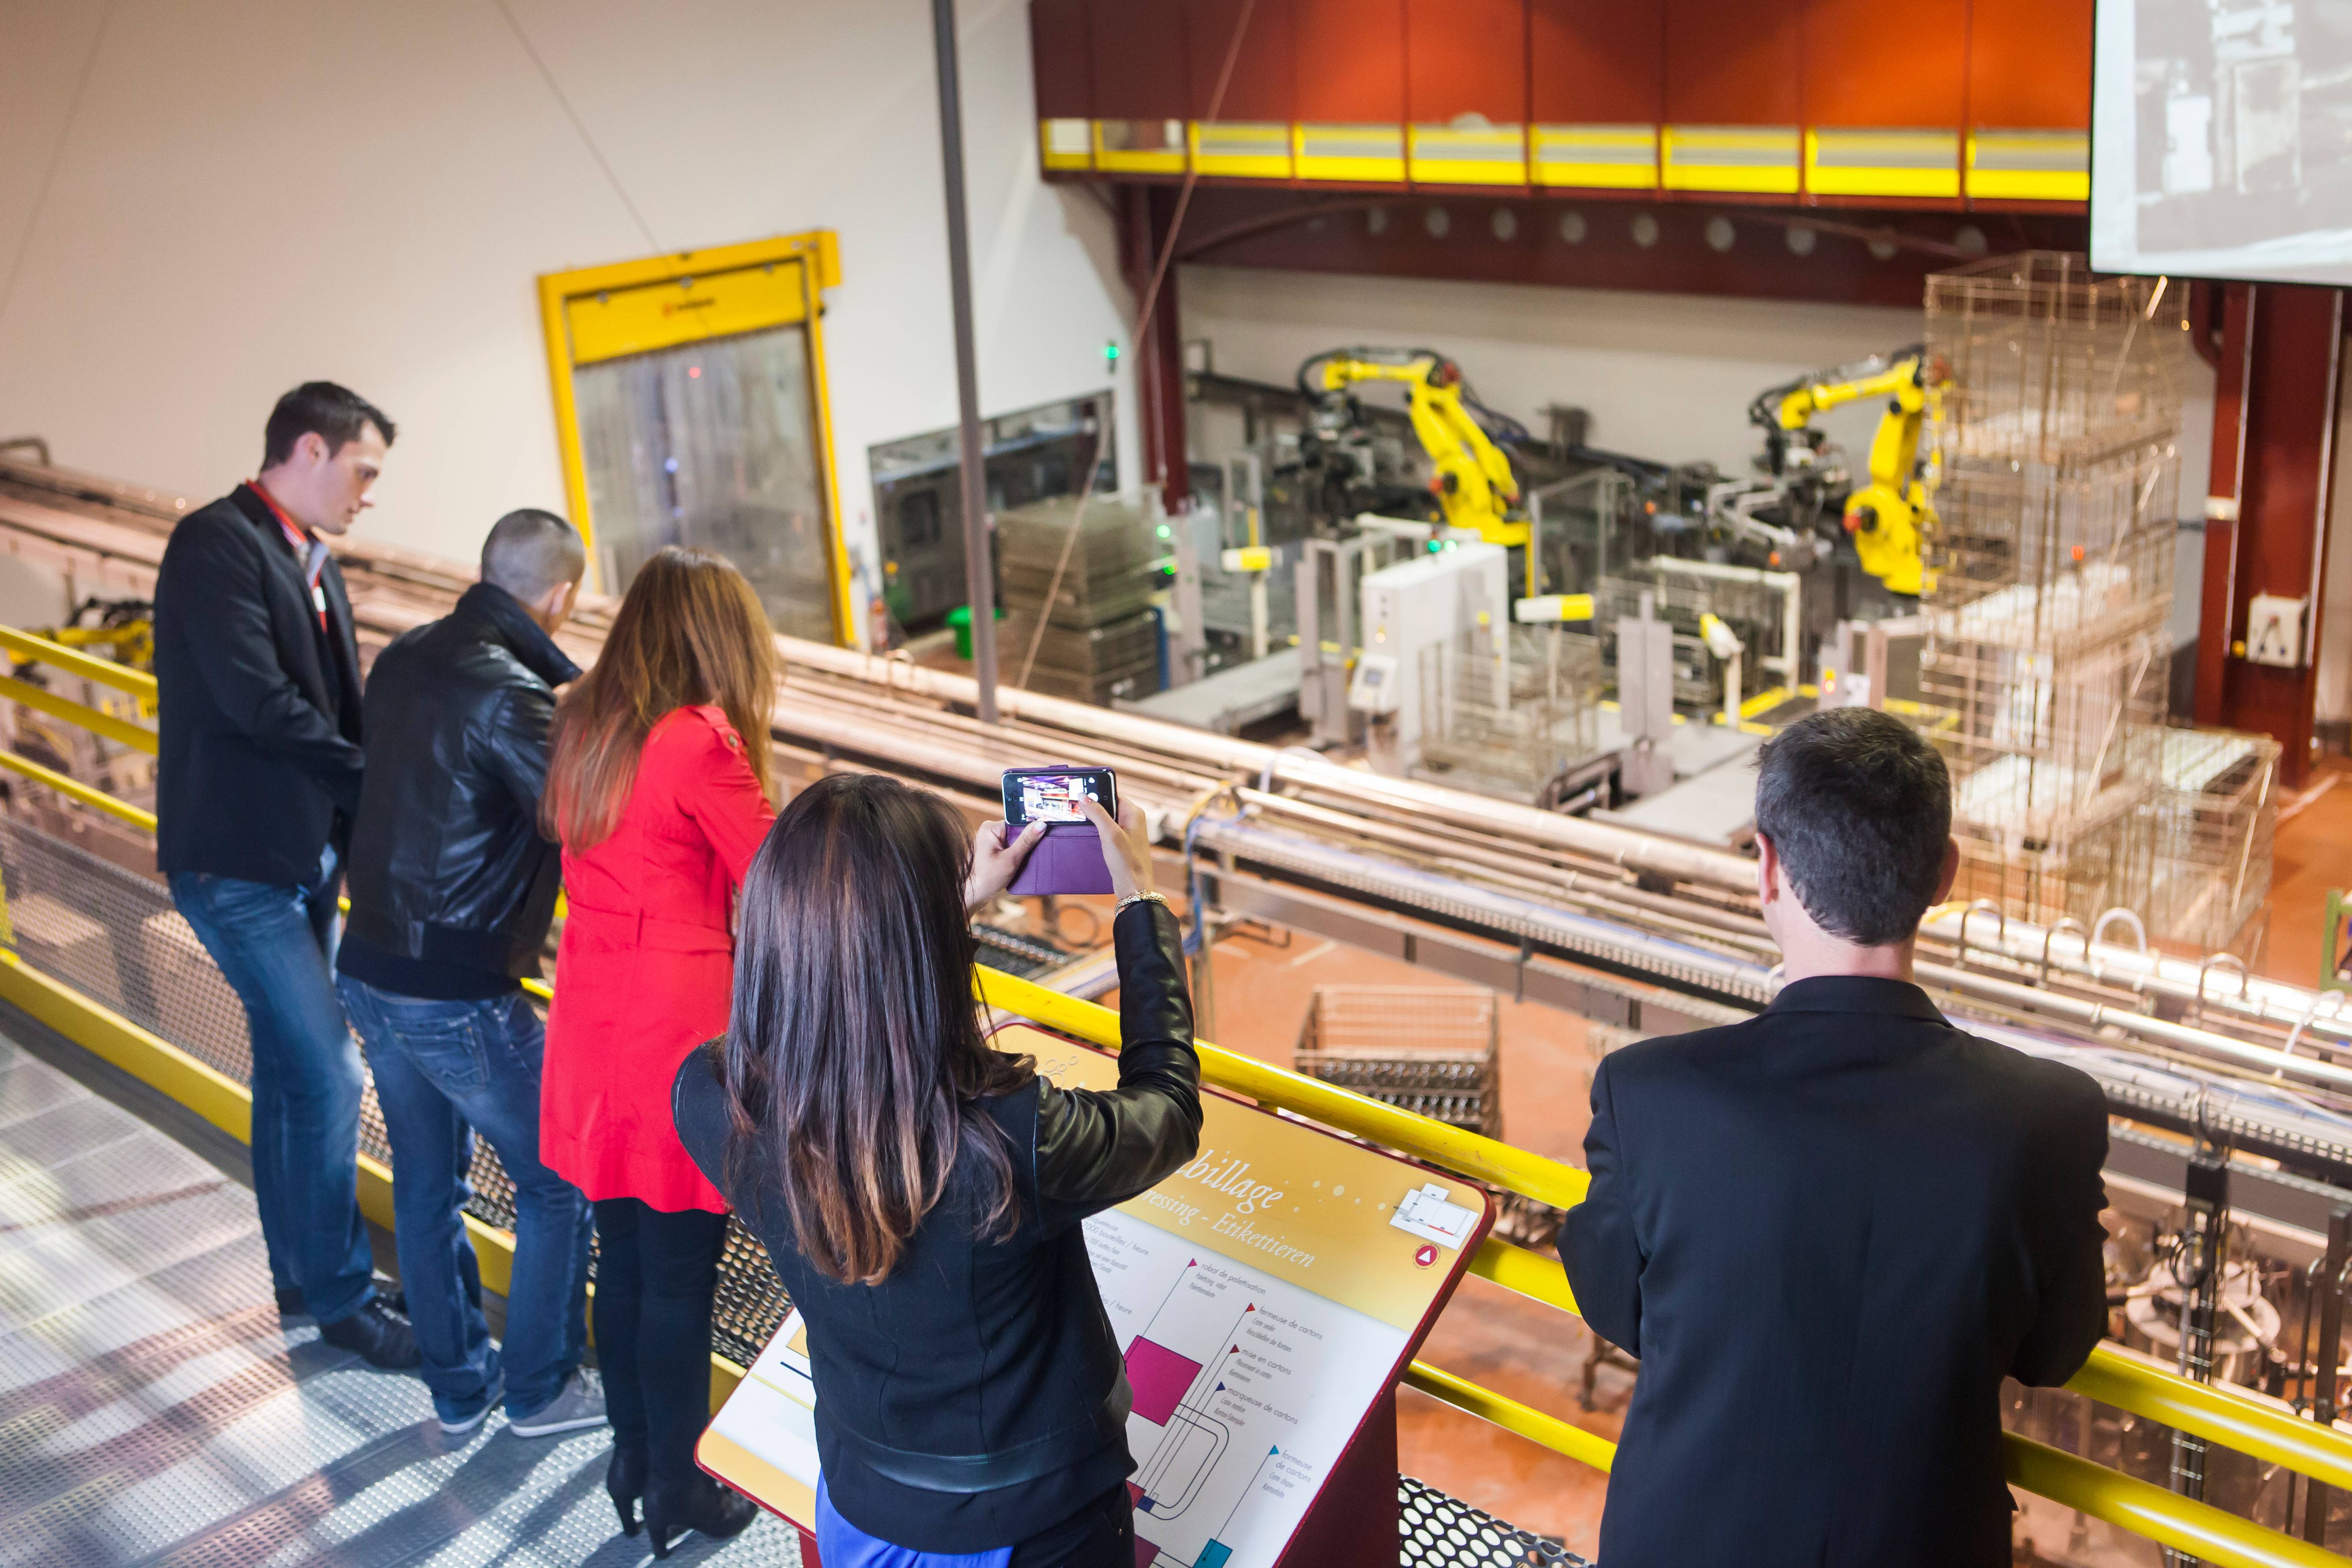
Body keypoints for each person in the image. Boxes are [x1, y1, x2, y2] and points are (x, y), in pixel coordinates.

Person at [1558, 708, 2110, 1568]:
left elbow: (1610, 1301)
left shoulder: (1648, 1096)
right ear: (1944, 875)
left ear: (1766, 868)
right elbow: (2055, 1351)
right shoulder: (2047, 1118)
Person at [674, 774, 1195, 1568]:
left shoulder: (712, 1099)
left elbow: (843, 1001)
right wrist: (1139, 902)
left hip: (862, 1495)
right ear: (925, 943)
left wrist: (947, 908)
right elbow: (1168, 1105)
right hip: (1035, 1528)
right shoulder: (1011, 1140)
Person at [154, 381, 416, 1369]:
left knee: (285, 1072)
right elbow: (256, 703)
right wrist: (381, 777)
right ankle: (344, 1299)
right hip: (237, 862)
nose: (369, 494)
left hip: (302, 863)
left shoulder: (311, 560)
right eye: (365, 470)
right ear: (310, 450)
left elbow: (342, 707)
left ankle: (299, 1274)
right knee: (328, 1068)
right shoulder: (216, 545)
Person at [337, 509, 601, 1437]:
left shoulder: (404, 655)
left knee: (425, 1178)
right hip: (450, 984)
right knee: (558, 1177)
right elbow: (585, 814)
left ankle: (457, 1386)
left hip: (366, 957)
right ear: (561, 595)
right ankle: (538, 1389)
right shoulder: (512, 694)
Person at [540, 545, 780, 1548]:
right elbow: (778, 870)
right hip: (675, 1029)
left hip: (591, 1017)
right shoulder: (695, 740)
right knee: (682, 1271)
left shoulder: (583, 721)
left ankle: (633, 1457)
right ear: (714, 636)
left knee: (624, 1257)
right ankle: (682, 1483)